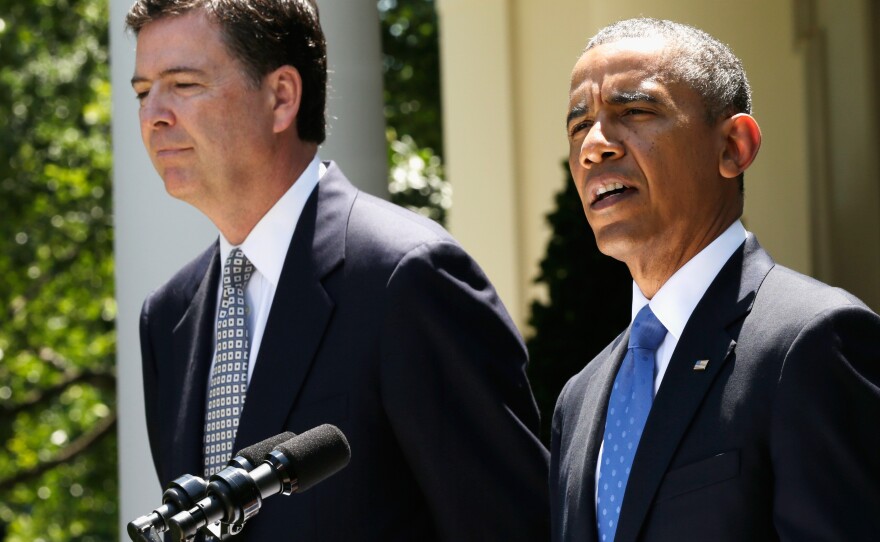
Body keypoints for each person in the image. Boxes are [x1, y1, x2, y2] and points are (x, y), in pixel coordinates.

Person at [126, 0, 550, 540]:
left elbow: (512, 525)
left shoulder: (406, 276)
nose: (153, 115)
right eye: (142, 92)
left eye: (183, 84)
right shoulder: (167, 317)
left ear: (281, 97)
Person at [550, 17, 880, 542]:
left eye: (634, 110)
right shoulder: (581, 397)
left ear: (734, 147)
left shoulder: (812, 341)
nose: (594, 146)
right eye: (577, 126)